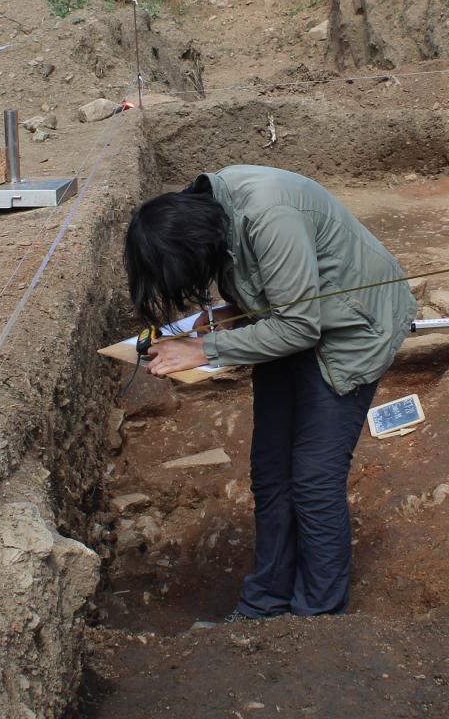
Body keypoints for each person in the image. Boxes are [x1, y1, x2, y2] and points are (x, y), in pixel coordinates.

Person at [124, 164, 415, 619]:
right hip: (291, 323)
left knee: (315, 478)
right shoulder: (212, 213)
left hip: (352, 329)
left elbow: (299, 325)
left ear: (198, 246)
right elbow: (273, 292)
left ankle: (316, 616)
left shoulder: (269, 216)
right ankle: (266, 603)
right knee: (271, 470)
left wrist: (206, 350)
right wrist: (227, 313)